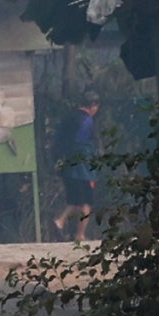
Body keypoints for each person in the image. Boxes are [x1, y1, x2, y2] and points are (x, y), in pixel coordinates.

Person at [53, 94, 105, 240]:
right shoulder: (86, 120)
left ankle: (61, 223)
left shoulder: (69, 117)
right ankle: (79, 234)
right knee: (86, 203)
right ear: (93, 106)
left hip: (66, 165)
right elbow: (81, 145)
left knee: (74, 200)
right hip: (82, 168)